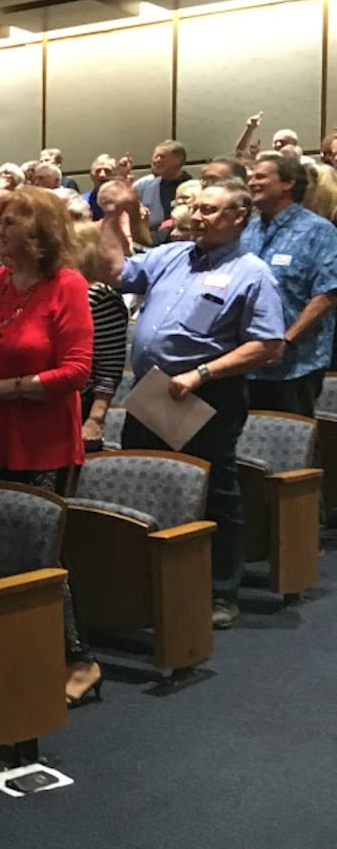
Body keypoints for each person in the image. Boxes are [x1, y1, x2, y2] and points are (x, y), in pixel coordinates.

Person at [97, 181, 285, 629]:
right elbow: (113, 271)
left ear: (239, 218)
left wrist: (203, 373)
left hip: (206, 395)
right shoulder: (170, 255)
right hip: (154, 390)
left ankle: (221, 590)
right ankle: (149, 582)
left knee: (213, 490)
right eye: (195, 208)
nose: (196, 217)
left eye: (210, 210)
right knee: (142, 480)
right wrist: (112, 216)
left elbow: (268, 344)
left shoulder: (251, 271)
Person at [0, 188, 95, 704]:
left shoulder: (67, 286)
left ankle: (79, 657)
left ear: (41, 234)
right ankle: (14, 649)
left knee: (39, 550)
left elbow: (77, 371)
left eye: (11, 223)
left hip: (41, 442)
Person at [241, 153, 337, 417]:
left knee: (286, 445)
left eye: (260, 176)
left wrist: (286, 341)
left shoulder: (319, 231)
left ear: (288, 183)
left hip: (295, 363)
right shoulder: (247, 231)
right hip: (246, 360)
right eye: (250, 177)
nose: (251, 182)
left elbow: (326, 294)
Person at [71, 222, 130, 456]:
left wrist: (96, 417)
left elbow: (109, 362)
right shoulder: (53, 288)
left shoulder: (100, 296)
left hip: (80, 403)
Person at [134, 140, 192, 230]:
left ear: (178, 160)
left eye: (162, 157)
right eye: (155, 156)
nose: (156, 161)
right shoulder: (142, 185)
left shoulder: (193, 187)